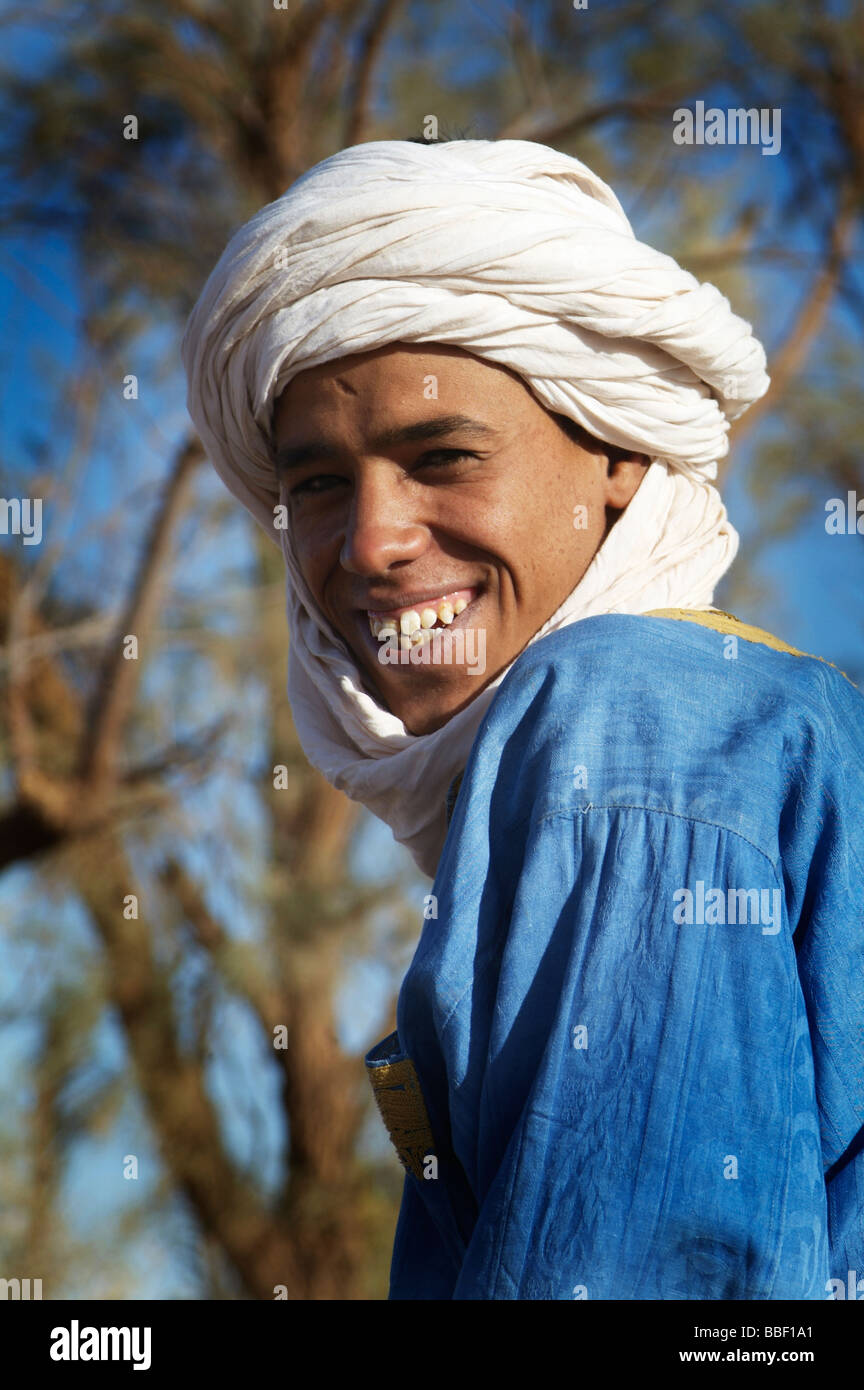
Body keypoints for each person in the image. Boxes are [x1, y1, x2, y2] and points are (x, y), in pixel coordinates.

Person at [182, 137, 864, 1300]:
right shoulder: (749, 721)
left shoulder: (628, 719)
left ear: (617, 449)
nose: (369, 543)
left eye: (441, 454)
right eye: (317, 485)